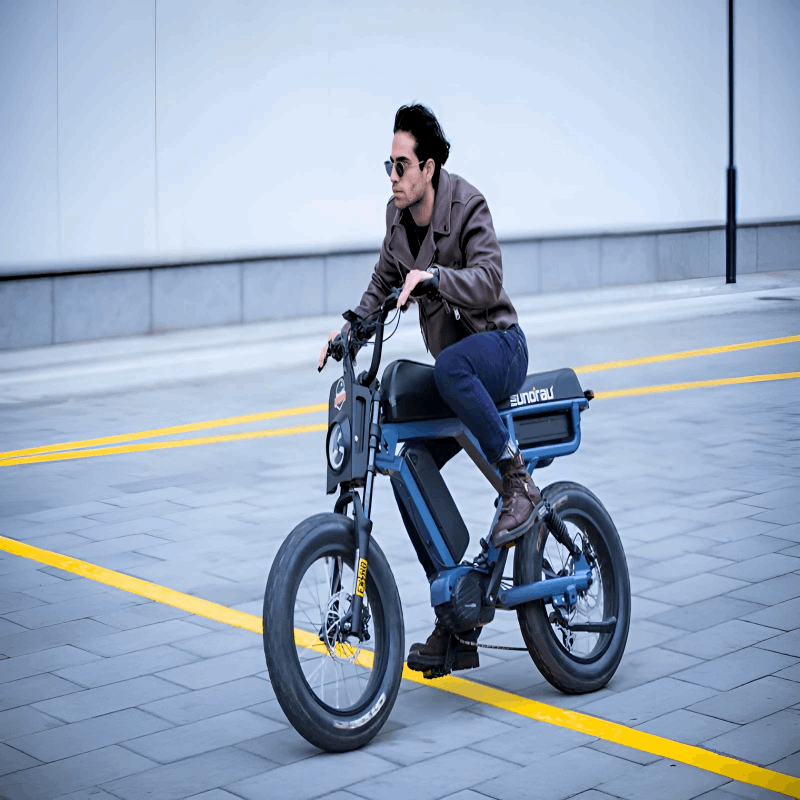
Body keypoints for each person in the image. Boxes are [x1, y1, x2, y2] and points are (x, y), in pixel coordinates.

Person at [318, 103, 540, 675]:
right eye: (387, 166)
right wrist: (344, 336)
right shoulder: (397, 225)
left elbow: (490, 278)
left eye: (401, 166)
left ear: (430, 168)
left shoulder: (467, 204)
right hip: (457, 371)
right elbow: (377, 290)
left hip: (498, 348)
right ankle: (457, 619)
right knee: (402, 458)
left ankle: (519, 482)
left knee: (447, 370)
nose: (392, 177)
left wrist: (437, 277)